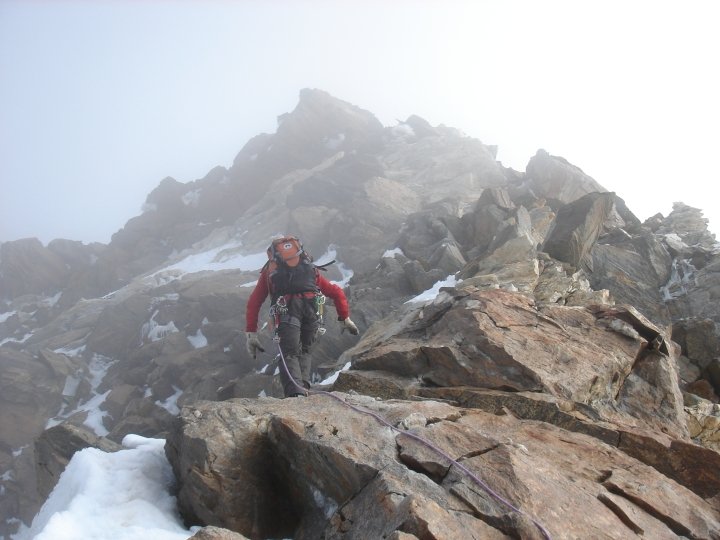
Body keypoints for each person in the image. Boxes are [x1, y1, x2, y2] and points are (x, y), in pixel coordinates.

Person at [245, 236, 359, 397]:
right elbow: (336, 292)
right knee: (304, 352)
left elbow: (254, 302)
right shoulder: (309, 269)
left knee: (289, 354)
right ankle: (303, 391)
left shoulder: (270, 272)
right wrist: (344, 318)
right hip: (312, 312)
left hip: (287, 313)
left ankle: (296, 394)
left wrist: (251, 333)